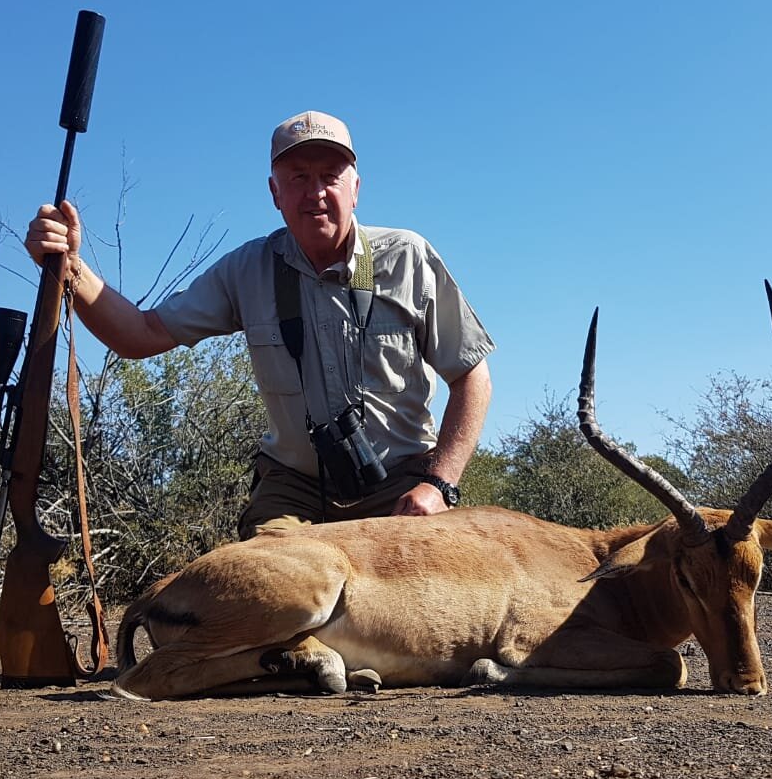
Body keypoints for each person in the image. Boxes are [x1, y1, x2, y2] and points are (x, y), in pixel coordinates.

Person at [26, 110, 494, 539]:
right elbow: (140, 334)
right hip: (296, 490)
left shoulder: (408, 256)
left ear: (356, 188)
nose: (316, 193)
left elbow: (473, 377)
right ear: (274, 192)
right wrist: (71, 268)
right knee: (264, 589)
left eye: (330, 177)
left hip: (400, 485)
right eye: (298, 178)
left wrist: (439, 485)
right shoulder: (247, 269)